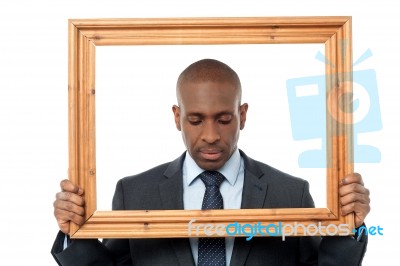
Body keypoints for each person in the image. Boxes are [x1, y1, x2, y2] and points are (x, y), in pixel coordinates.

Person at [52, 59, 370, 265]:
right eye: (195, 120)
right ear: (177, 117)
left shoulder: (290, 193)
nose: (210, 136)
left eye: (223, 119)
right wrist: (72, 231)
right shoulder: (135, 193)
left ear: (242, 115)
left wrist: (349, 226)